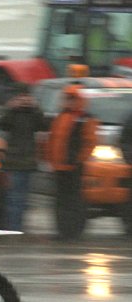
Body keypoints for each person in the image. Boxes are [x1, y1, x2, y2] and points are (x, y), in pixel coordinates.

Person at [45, 84, 98, 240]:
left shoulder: (85, 118)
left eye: (72, 98)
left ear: (79, 100)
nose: (68, 101)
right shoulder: (60, 117)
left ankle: (73, 232)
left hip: (74, 168)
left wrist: (77, 160)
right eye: (67, 98)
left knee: (74, 202)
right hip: (59, 167)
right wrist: (50, 160)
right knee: (61, 202)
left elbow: (90, 142)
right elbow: (52, 140)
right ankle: (62, 231)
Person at [0, 84, 45, 233]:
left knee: (23, 197)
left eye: (27, 97)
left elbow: (43, 126)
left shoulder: (33, 114)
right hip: (13, 161)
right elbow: (2, 125)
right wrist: (11, 108)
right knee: (14, 196)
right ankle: (13, 227)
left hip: (28, 161)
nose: (24, 100)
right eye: (21, 97)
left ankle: (19, 226)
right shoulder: (12, 113)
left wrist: (36, 108)